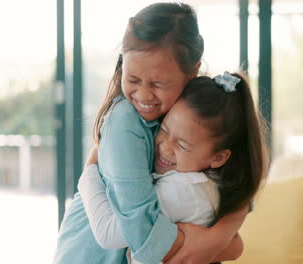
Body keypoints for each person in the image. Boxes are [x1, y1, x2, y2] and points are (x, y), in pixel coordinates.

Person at [53, 3, 267, 263]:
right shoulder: (126, 120)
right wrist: (220, 244)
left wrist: (221, 236)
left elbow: (232, 187)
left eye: (158, 84)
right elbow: (144, 233)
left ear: (192, 73)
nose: (143, 95)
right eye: (132, 79)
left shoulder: (188, 111)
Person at [78, 73, 269, 264]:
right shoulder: (211, 183)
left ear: (218, 157)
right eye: (164, 130)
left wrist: (89, 173)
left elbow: (107, 233)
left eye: (183, 145)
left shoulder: (181, 191)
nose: (165, 147)